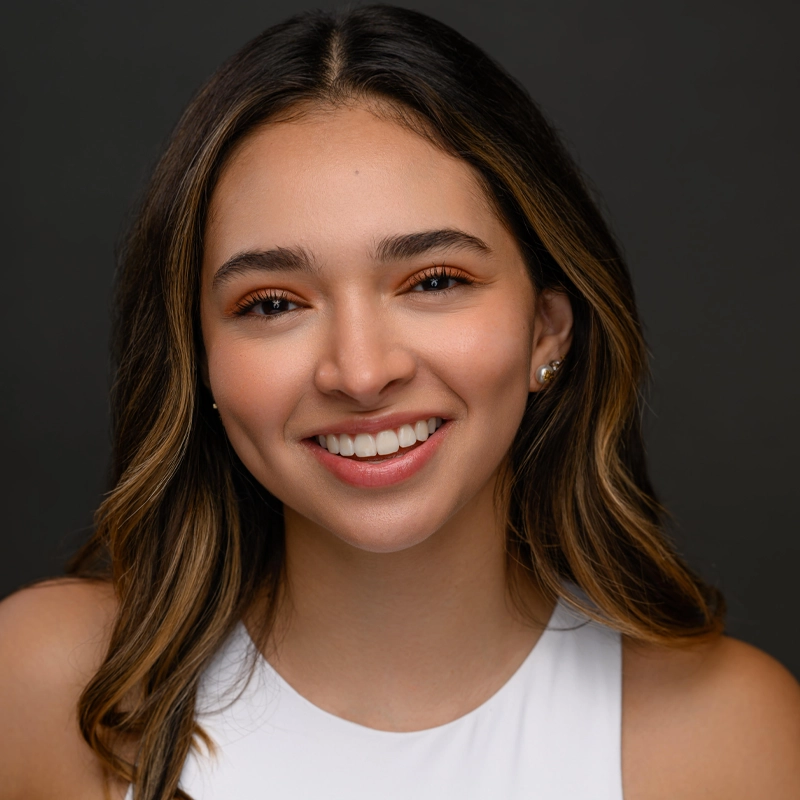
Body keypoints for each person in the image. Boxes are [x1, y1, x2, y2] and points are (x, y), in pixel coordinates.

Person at [1, 5, 798, 799]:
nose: (360, 371)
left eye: (436, 282)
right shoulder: (49, 689)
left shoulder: (731, 737)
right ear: (200, 358)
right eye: (273, 303)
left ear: (547, 332)